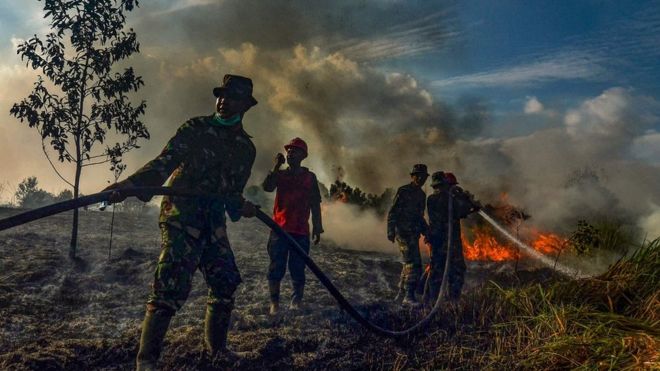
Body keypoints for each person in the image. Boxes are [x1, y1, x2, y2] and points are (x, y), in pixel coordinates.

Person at [104, 74, 258, 370]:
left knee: (225, 281)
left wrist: (242, 207)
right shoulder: (196, 129)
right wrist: (130, 185)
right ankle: (146, 362)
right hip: (181, 217)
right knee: (170, 286)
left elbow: (232, 193)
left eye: (232, 97)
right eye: (221, 95)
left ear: (245, 105)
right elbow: (165, 162)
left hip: (212, 223)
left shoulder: (245, 149)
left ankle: (216, 351)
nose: (224, 101)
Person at [262, 137, 323, 314]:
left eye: (295, 151)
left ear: (303, 155)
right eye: (288, 150)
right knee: (276, 267)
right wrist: (275, 166)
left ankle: (296, 301)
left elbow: (315, 204)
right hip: (279, 230)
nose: (290, 153)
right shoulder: (280, 175)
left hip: (300, 231)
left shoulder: (310, 178)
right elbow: (267, 187)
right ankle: (275, 303)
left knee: (298, 268)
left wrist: (318, 226)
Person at [423, 171, 480, 305]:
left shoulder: (431, 199)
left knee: (436, 272)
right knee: (456, 271)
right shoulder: (448, 200)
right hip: (449, 243)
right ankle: (452, 301)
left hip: (437, 242)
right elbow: (465, 209)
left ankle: (432, 301)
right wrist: (466, 198)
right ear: (445, 185)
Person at [387, 164, 429, 307]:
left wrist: (426, 231)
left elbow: (419, 216)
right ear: (412, 176)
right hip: (403, 232)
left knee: (408, 264)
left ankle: (401, 293)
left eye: (423, 176)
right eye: (417, 175)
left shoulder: (422, 195)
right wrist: (390, 230)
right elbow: (393, 212)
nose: (420, 179)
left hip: (414, 233)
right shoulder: (403, 191)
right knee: (414, 264)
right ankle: (409, 296)